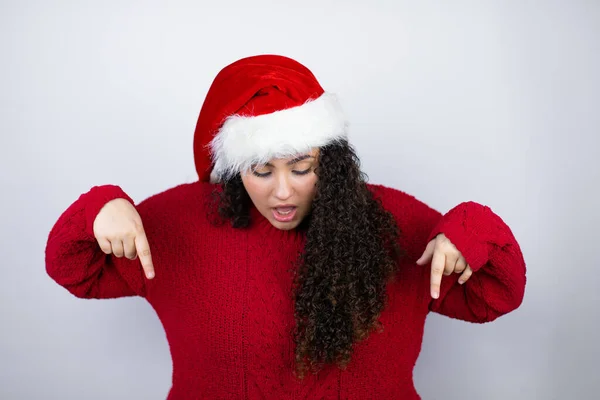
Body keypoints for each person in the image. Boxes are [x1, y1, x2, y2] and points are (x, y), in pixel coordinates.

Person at [45, 54, 527, 399]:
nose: (282, 192)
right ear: (235, 167)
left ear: (331, 160)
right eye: (262, 170)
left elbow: (495, 296)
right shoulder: (177, 222)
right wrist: (100, 208)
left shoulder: (393, 223)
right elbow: (74, 270)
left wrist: (472, 227)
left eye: (301, 168)